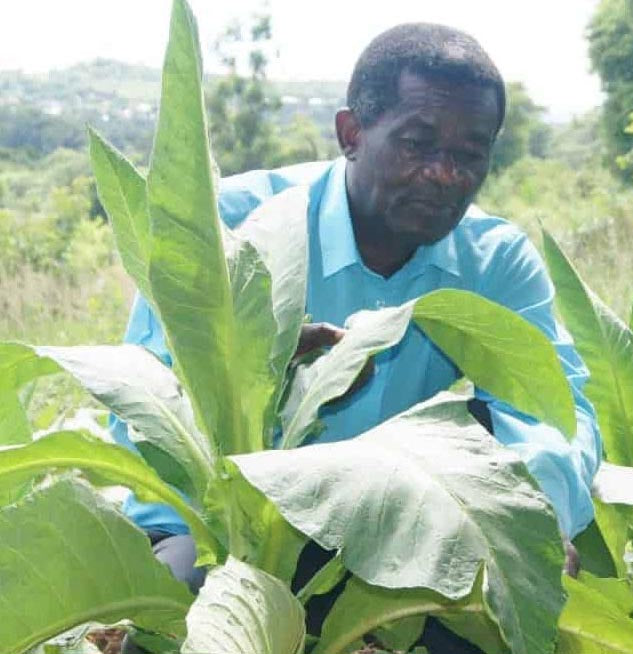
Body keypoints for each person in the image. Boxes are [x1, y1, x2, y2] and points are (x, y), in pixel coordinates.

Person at [117, 22, 601, 653]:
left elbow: (554, 411)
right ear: (351, 134)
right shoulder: (231, 226)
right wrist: (246, 365)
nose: (444, 175)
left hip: (394, 532)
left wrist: (523, 520)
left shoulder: (494, 259)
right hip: (231, 533)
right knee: (167, 630)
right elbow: (145, 396)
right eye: (417, 144)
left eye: (469, 154)